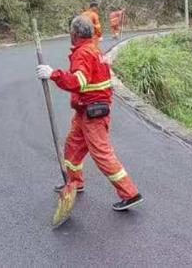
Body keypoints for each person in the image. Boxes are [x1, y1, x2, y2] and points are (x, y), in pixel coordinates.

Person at [35, 16, 143, 211]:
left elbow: (78, 82)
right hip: (85, 111)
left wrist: (53, 74)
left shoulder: (84, 53)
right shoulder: (92, 49)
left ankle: (130, 193)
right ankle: (75, 182)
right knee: (72, 147)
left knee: (102, 154)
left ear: (74, 34)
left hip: (93, 114)